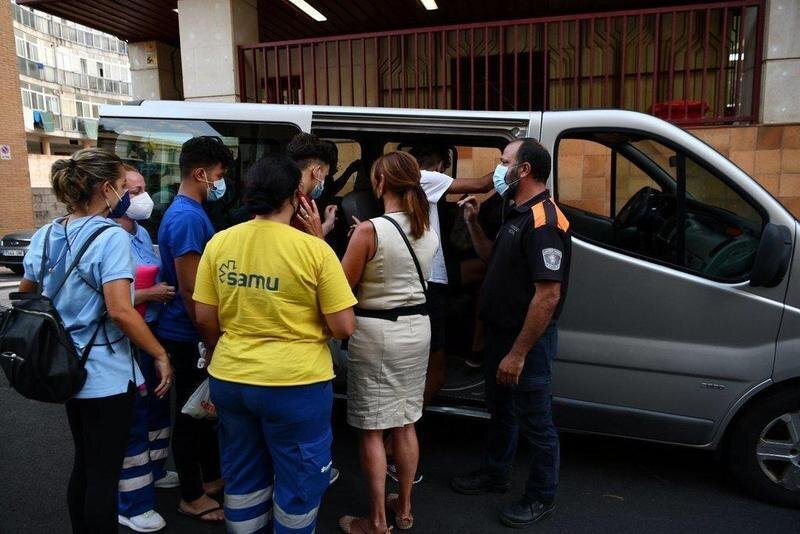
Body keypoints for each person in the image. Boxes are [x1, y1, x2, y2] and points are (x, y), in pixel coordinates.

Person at [193, 154, 357, 534]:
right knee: (299, 478)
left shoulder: (220, 243)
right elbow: (345, 325)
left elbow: (204, 317)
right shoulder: (315, 250)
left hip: (231, 380)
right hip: (295, 384)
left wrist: (225, 351)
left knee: (243, 472)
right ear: (296, 197)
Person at [19, 148, 172, 534]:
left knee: (85, 465)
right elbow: (121, 310)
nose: (127, 195)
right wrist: (159, 353)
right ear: (106, 189)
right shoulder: (111, 238)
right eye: (123, 187)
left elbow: (26, 295)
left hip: (64, 364)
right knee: (105, 474)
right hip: (105, 372)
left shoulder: (48, 233)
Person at [450, 139, 571, 528]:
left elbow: (547, 296)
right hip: (502, 336)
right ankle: (495, 473)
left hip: (526, 343)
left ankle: (541, 496)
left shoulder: (544, 222)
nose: (498, 170)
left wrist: (518, 354)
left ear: (525, 170)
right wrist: (470, 222)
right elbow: (491, 260)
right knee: (501, 411)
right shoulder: (516, 213)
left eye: (504, 162)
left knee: (537, 423)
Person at [382, 145, 495, 485]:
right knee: (433, 372)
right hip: (430, 283)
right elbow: (482, 184)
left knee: (421, 369)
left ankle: (393, 439)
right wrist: (511, 168)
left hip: (429, 281)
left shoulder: (417, 183)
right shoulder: (425, 178)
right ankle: (394, 444)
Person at [338, 152, 439, 534]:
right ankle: (405, 509)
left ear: (380, 183)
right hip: (418, 331)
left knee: (372, 428)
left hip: (378, 334)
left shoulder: (369, 230)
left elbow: (341, 286)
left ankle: (377, 521)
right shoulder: (427, 228)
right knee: (407, 422)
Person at [156, 136, 234, 523]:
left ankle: (207, 480)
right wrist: (210, 339)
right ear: (201, 173)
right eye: (218, 175)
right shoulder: (187, 217)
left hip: (192, 331)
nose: (220, 183)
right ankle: (191, 495)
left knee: (203, 413)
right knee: (189, 416)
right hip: (187, 333)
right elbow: (190, 290)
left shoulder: (190, 211)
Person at [116, 165, 179, 532]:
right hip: (130, 336)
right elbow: (114, 299)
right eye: (133, 190)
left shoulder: (140, 231)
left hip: (152, 330)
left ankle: (154, 471)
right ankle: (133, 503)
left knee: (157, 408)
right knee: (135, 418)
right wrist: (151, 293)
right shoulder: (109, 235)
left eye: (142, 189)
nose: (142, 197)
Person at [286, 132, 338, 237]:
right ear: (317, 171)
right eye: (325, 176)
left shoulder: (282, 195)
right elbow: (308, 245)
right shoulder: (303, 204)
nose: (323, 181)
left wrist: (327, 224)